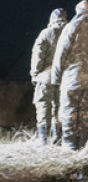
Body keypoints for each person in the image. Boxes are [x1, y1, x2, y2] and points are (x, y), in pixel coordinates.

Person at [52, 0, 88, 150]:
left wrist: (56, 77)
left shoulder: (72, 26)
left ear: (78, 11)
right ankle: (82, 143)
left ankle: (69, 144)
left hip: (71, 78)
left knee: (69, 111)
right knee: (86, 113)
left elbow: (61, 53)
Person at [30, 8, 67, 145]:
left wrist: (35, 73)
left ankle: (44, 140)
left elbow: (38, 55)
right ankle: (58, 138)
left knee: (43, 105)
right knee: (60, 107)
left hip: (46, 75)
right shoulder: (70, 32)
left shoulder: (46, 33)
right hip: (64, 77)